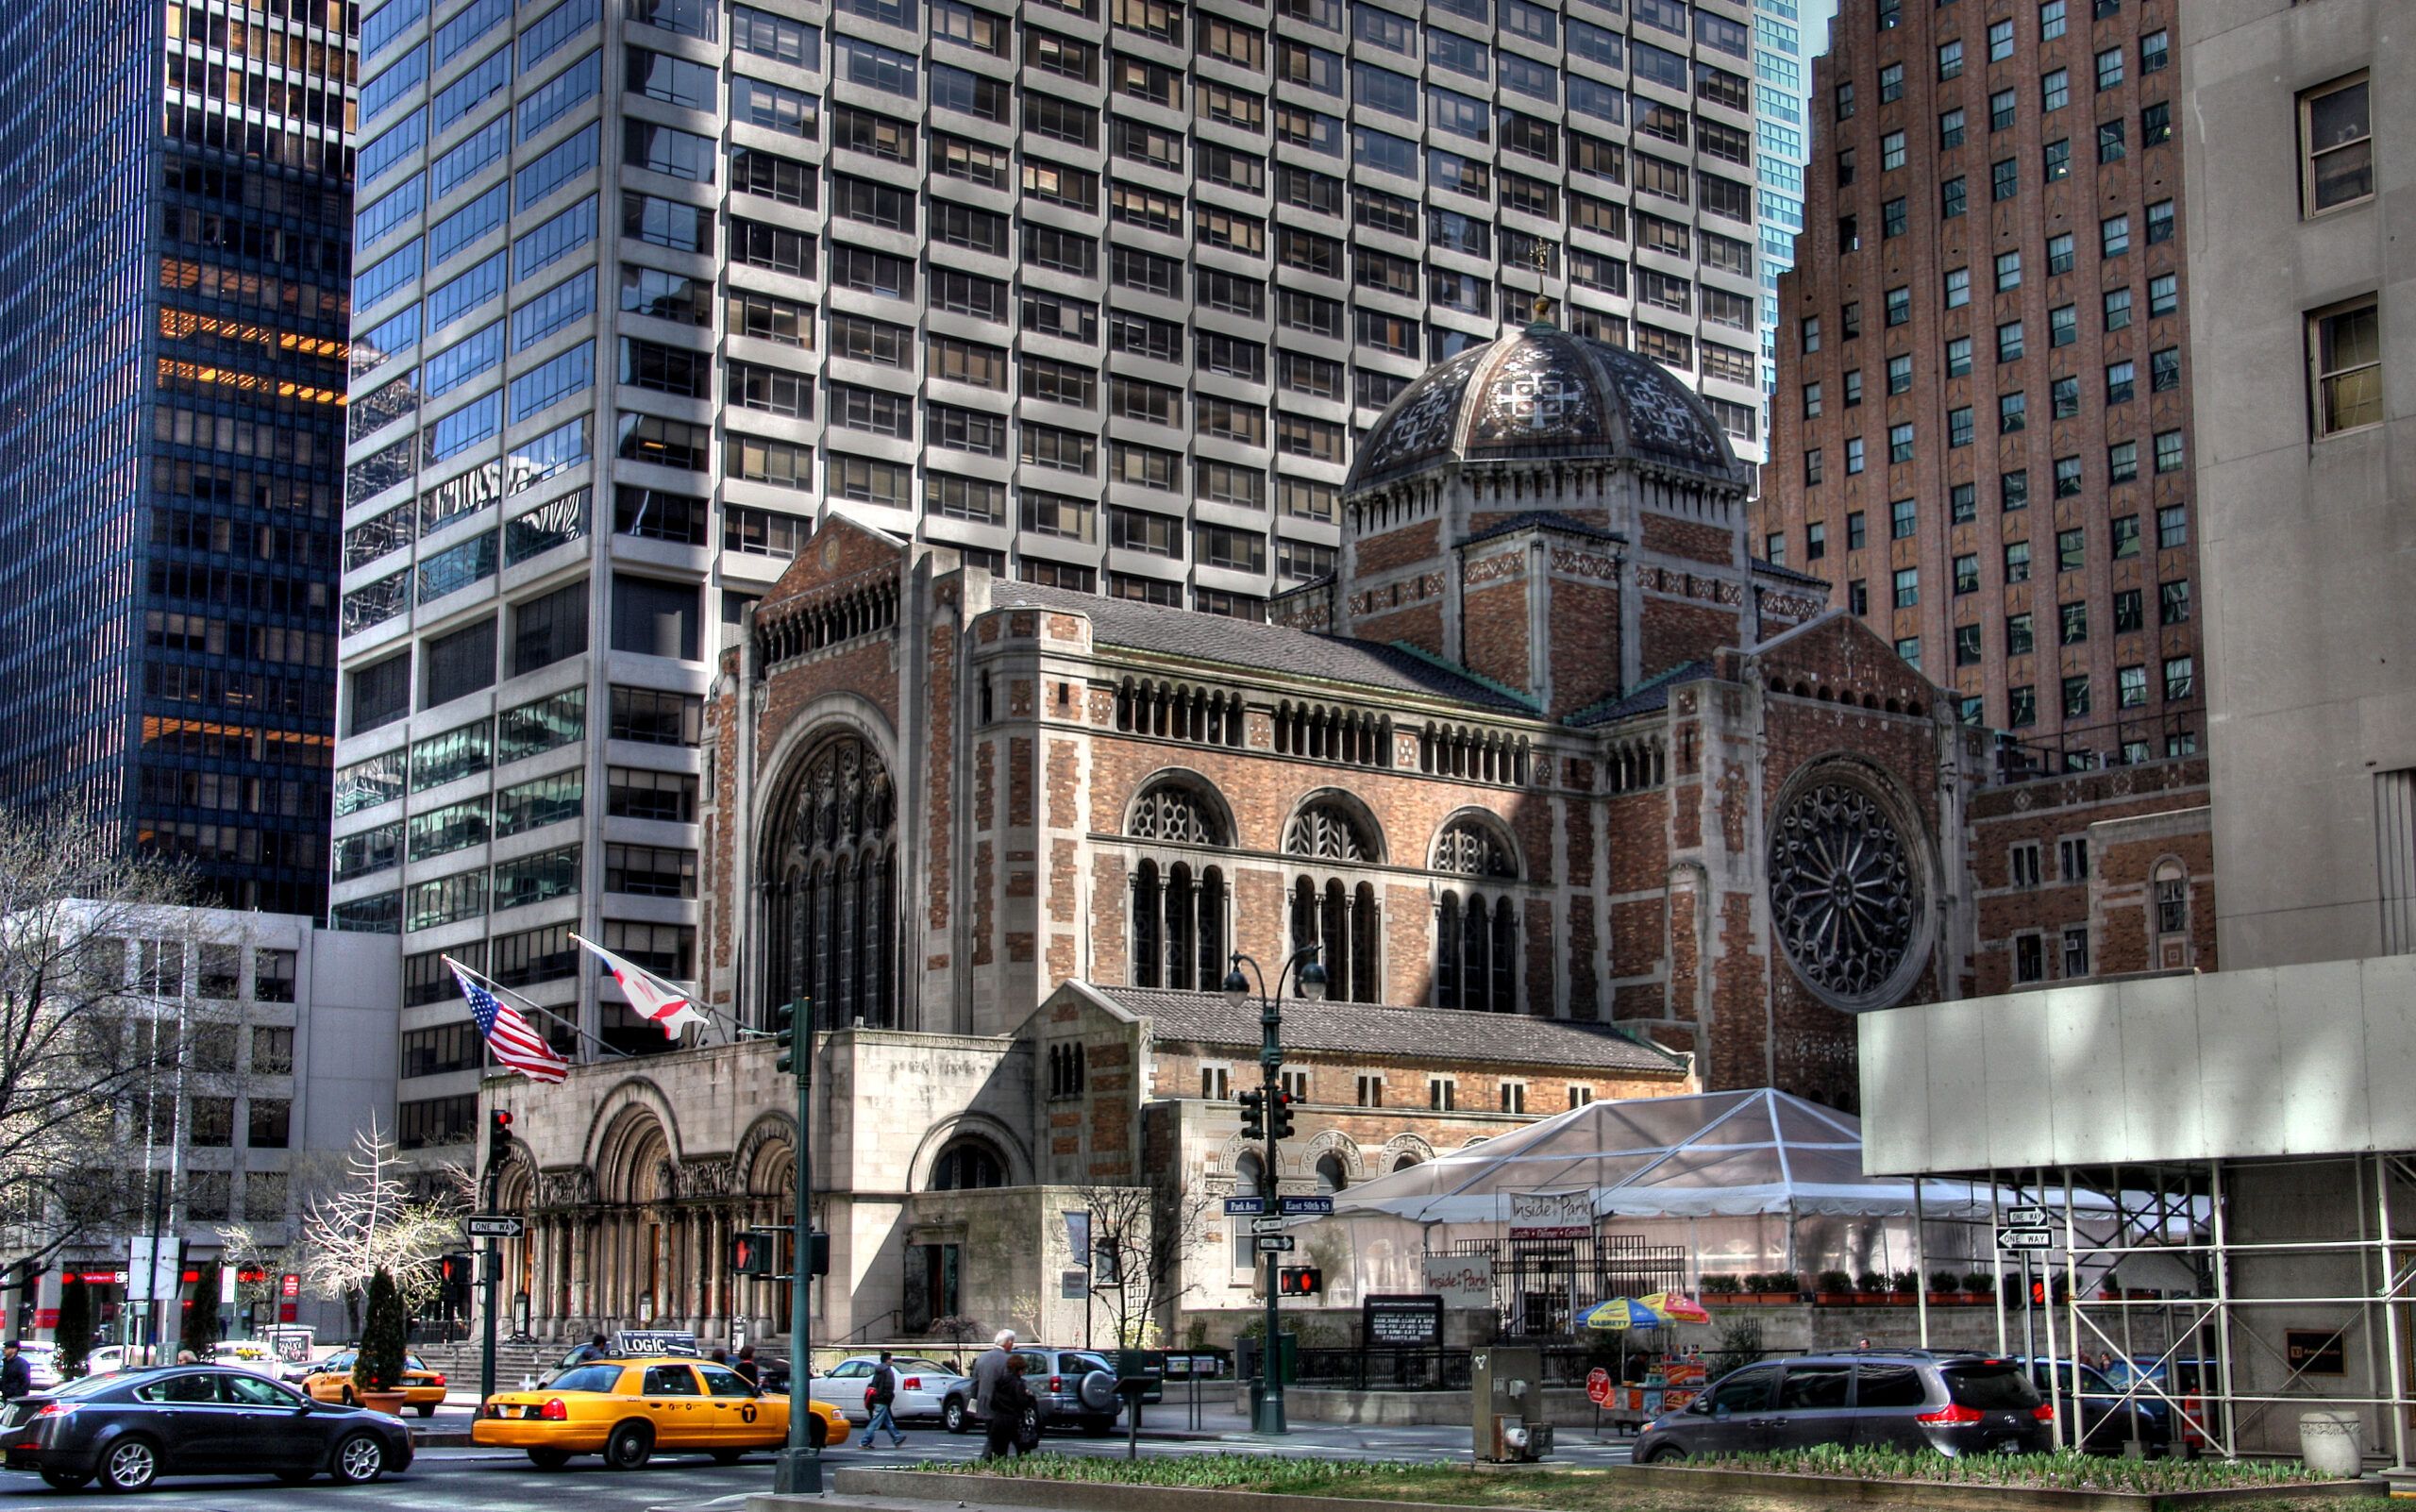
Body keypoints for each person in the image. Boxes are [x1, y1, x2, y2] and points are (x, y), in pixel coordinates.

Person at [972, 1331, 1018, 1459]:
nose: (1013, 1345)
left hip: (984, 1404)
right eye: (1012, 1342)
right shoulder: (1008, 1360)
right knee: (998, 1439)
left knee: (993, 1435)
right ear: (1008, 1342)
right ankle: (987, 1461)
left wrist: (973, 1403)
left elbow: (975, 1383)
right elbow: (1009, 1385)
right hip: (1001, 1407)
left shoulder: (982, 1357)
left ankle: (993, 1461)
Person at [860, 1350, 907, 1449]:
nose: (892, 1361)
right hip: (882, 1400)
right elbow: (889, 1386)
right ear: (887, 1360)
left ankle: (897, 1438)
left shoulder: (878, 1370)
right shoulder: (888, 1372)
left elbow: (873, 1385)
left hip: (876, 1398)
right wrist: (888, 1397)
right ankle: (864, 1441)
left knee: (887, 1420)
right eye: (890, 1359)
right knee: (875, 1422)